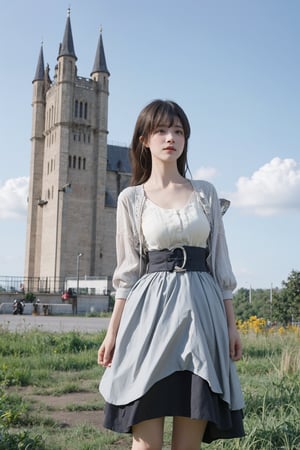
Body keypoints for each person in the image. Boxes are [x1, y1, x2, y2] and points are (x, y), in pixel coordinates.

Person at [98, 99, 245, 450]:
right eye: (161, 130)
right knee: (147, 444)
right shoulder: (131, 199)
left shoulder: (205, 193)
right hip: (149, 319)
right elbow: (127, 272)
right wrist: (112, 332)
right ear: (144, 139)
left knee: (187, 445)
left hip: (201, 315)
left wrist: (232, 325)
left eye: (178, 131)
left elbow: (220, 265)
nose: (170, 138)